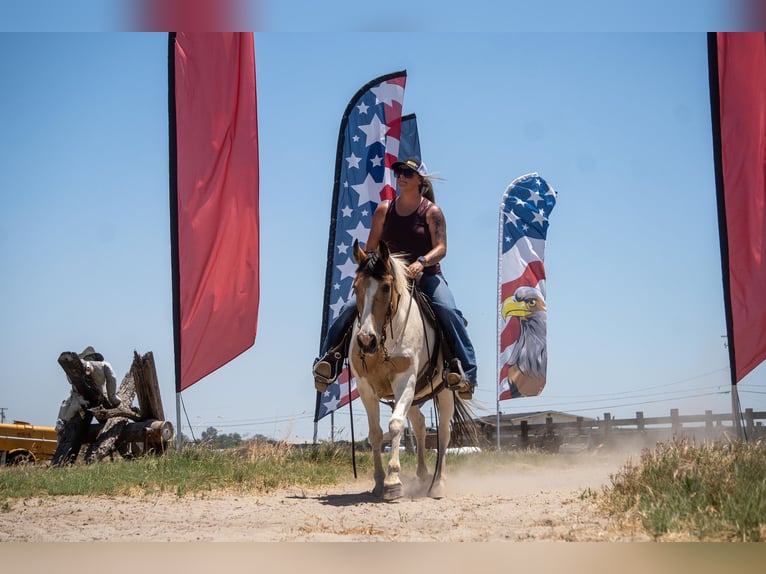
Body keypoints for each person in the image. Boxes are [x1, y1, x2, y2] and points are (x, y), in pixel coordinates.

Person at [313, 158, 477, 398]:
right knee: (349, 309)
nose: (401, 176)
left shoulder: (432, 212)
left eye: (408, 173)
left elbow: (441, 248)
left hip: (426, 276)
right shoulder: (384, 210)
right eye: (399, 172)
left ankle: (466, 374)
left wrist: (422, 262)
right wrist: (368, 268)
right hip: (386, 279)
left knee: (447, 310)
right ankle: (328, 362)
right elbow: (371, 249)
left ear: (420, 180)